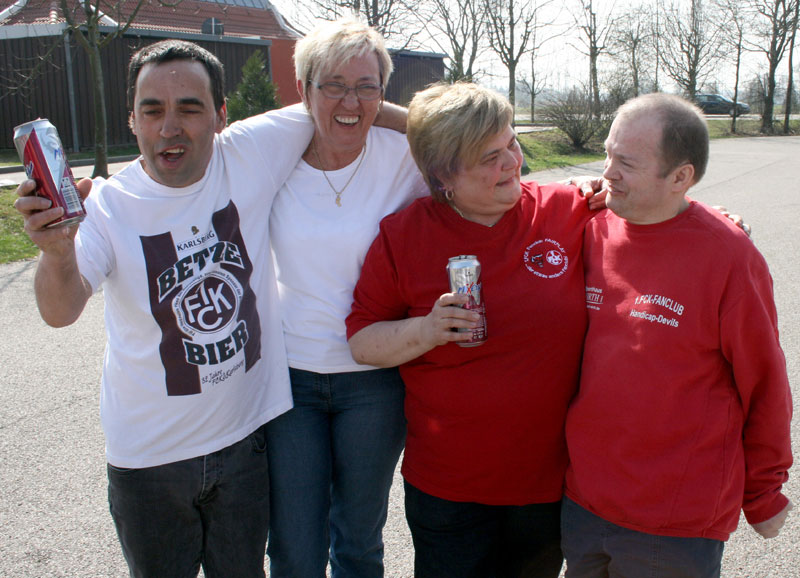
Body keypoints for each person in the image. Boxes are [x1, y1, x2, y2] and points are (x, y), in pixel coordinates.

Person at [14, 39, 315, 577]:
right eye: (151, 110)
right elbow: (59, 312)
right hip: (149, 463)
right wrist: (57, 249)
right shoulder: (106, 207)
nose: (169, 126)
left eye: (189, 108)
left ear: (221, 115)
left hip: (244, 445)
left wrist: (448, 128)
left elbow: (343, 100)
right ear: (132, 120)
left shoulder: (251, 151)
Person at [345, 82, 599, 578]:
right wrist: (427, 329)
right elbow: (361, 342)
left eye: (512, 145)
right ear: (443, 174)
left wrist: (715, 224)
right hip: (448, 490)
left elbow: (652, 221)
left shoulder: (567, 210)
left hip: (545, 485)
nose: (512, 163)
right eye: (489, 157)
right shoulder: (403, 235)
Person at [561, 93, 793, 577]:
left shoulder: (727, 257)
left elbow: (765, 382)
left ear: (681, 177)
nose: (607, 172)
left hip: (672, 521)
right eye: (607, 153)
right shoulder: (590, 228)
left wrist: (764, 491)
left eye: (625, 162)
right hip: (583, 503)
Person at [264, 18, 427, 578]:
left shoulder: (405, 154)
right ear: (304, 89)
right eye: (332, 84)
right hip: (289, 380)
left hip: (375, 381)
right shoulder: (273, 155)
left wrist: (381, 112)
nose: (349, 100)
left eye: (366, 84)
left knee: (358, 540)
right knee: (293, 545)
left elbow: (493, 149)